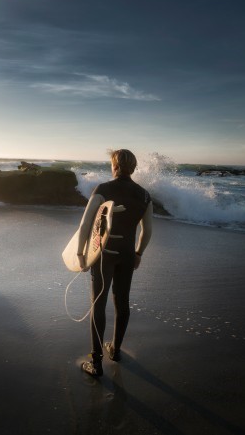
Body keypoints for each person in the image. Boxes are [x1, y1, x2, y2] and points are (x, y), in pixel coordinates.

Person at [77, 149, 153, 376]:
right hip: (128, 254)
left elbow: (84, 225)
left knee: (98, 304)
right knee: (122, 302)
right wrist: (138, 253)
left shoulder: (103, 189)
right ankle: (116, 350)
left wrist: (81, 256)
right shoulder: (145, 195)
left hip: (104, 254)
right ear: (134, 167)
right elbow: (146, 231)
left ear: (115, 166)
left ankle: (96, 362)